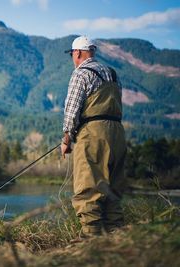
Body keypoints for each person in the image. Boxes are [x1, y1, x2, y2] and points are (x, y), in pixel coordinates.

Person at [61, 36, 126, 237]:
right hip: (117, 134)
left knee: (88, 188)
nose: (73, 58)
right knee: (113, 190)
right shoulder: (112, 74)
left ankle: (90, 242)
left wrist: (66, 140)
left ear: (78, 53)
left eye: (73, 54)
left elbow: (71, 112)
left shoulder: (81, 73)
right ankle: (116, 239)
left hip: (93, 135)